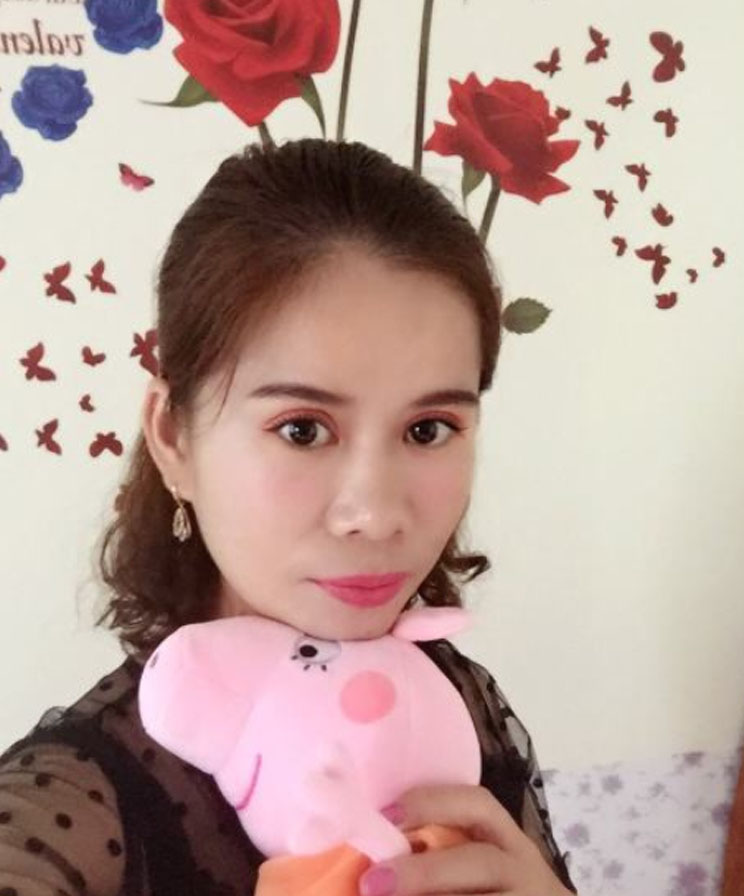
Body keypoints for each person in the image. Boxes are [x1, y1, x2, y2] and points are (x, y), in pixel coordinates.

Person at [0, 138, 577, 896]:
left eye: (429, 429)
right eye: (302, 429)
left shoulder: (456, 702)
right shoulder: (77, 805)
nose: (374, 514)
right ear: (174, 436)